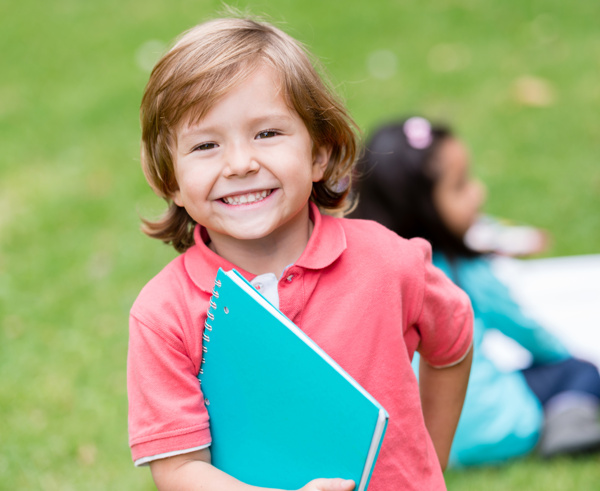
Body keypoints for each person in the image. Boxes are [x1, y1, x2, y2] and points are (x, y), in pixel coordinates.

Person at [127, 16, 474, 491]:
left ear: (320, 153)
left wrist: (429, 463)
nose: (240, 163)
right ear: (172, 181)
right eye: (206, 145)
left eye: (267, 134)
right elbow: (178, 470)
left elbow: (453, 342)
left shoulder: (390, 262)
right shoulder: (163, 313)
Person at [352, 116, 600, 467]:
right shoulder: (461, 270)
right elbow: (527, 332)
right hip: (503, 427)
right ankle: (568, 420)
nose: (478, 192)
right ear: (423, 209)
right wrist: (559, 357)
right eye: (461, 185)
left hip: (420, 442)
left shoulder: (365, 273)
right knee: (580, 371)